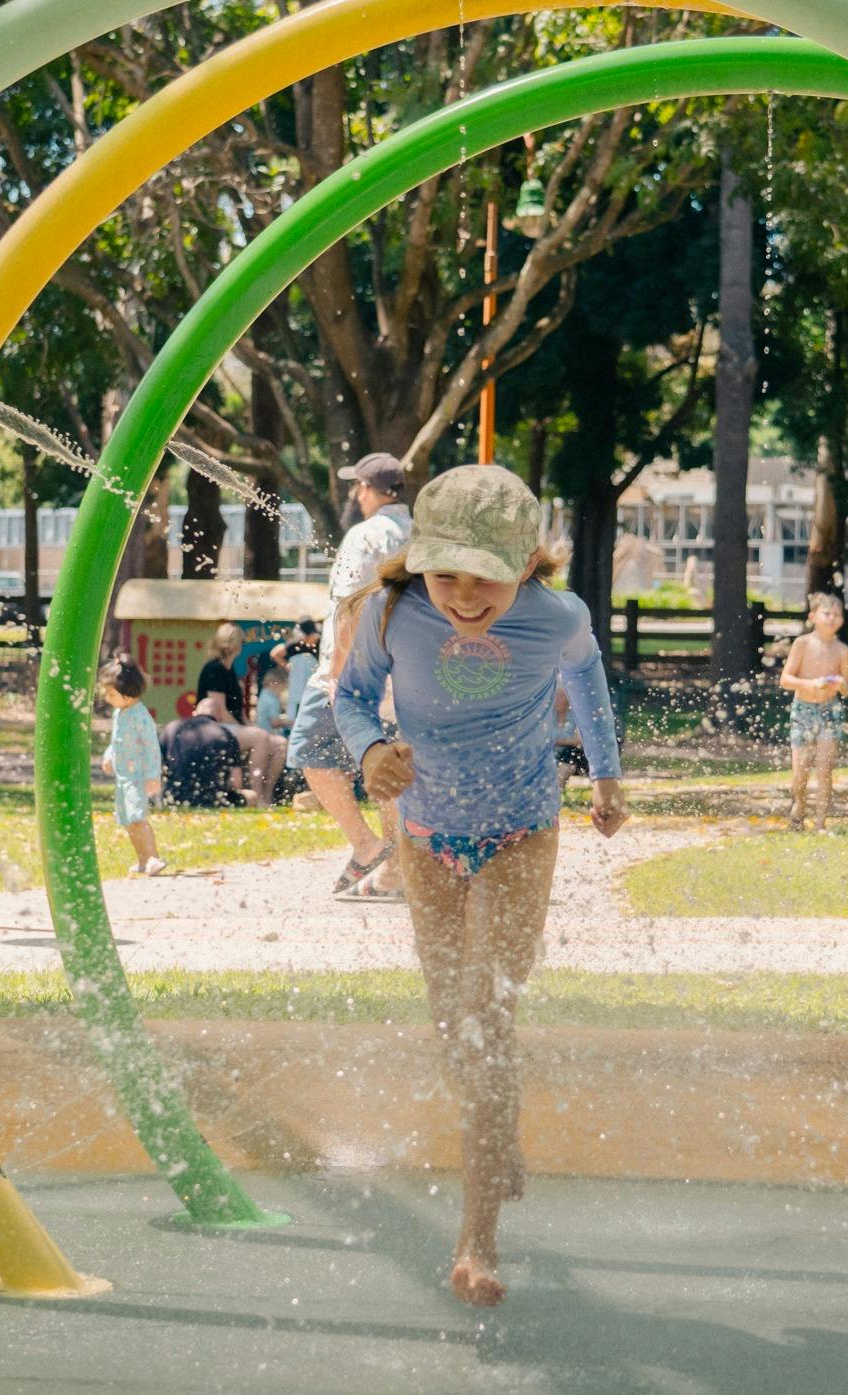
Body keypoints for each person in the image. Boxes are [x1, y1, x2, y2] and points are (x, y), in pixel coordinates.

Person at [336, 464, 626, 1308]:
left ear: (526, 565)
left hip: (522, 834)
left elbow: (589, 683)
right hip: (423, 837)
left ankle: (478, 1236)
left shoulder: (557, 616)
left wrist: (604, 775)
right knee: (450, 1023)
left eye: (484, 577)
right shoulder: (393, 611)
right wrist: (368, 751)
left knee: (482, 1015)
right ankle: (503, 1136)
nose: (462, 595)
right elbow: (350, 697)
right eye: (445, 572)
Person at [286, 454, 414, 900]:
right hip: (407, 673)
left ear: (367, 488)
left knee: (307, 748)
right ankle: (396, 871)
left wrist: (335, 672)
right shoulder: (421, 536)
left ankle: (366, 845)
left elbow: (348, 607)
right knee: (390, 769)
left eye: (356, 487)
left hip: (355, 672)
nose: (354, 496)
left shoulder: (365, 536)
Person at [780, 591, 848, 830]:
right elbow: (785, 679)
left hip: (830, 710)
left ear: (842, 619)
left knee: (825, 769)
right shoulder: (802, 644)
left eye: (837, 614)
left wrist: (841, 685)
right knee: (800, 771)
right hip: (803, 710)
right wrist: (809, 684)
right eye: (827, 613)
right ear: (813, 616)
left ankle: (821, 823)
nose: (832, 618)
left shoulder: (842, 650)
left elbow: (847, 688)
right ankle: (799, 804)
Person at [98, 657, 169, 876]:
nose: (106, 698)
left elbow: (151, 748)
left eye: (111, 694)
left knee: (138, 818)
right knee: (129, 821)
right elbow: (115, 740)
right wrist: (109, 755)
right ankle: (142, 859)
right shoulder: (121, 713)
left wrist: (151, 775)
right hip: (123, 777)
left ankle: (153, 858)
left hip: (137, 777)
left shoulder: (140, 716)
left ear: (127, 693)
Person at [194, 691, 286, 807]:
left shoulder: (232, 676)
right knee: (260, 736)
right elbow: (219, 711)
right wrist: (244, 729)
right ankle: (257, 795)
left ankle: (268, 795)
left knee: (280, 743)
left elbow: (241, 713)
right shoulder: (215, 673)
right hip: (219, 725)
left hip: (234, 725)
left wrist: (250, 727)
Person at [160, 700, 245, 809]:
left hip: (174, 798)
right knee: (251, 796)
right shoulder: (225, 734)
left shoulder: (171, 728)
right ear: (220, 718)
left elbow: (157, 770)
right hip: (214, 800)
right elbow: (236, 783)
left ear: (194, 713)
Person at [195, 622, 250, 722]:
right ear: (235, 644)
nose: (243, 645)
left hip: (229, 728)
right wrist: (242, 731)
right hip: (217, 730)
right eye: (242, 642)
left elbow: (239, 713)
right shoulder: (215, 670)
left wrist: (253, 730)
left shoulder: (229, 669)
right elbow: (220, 712)